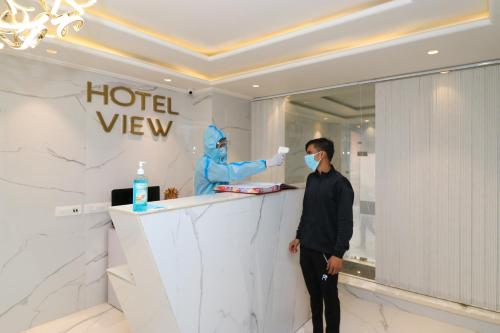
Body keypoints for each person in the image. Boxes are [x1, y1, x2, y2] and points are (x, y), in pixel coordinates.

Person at [289, 138, 354, 333]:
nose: (306, 157)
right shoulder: (311, 179)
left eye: (309, 152)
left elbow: (346, 223)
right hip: (307, 251)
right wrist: (298, 236)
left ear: (322, 154)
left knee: (329, 297)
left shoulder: (341, 184)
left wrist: (338, 254)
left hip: (326, 256)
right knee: (314, 296)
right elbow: (307, 212)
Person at [194, 124, 285, 195]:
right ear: (211, 147)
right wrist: (266, 163)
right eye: (220, 145)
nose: (223, 149)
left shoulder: (218, 163)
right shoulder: (205, 165)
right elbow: (233, 171)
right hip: (204, 211)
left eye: (224, 144)